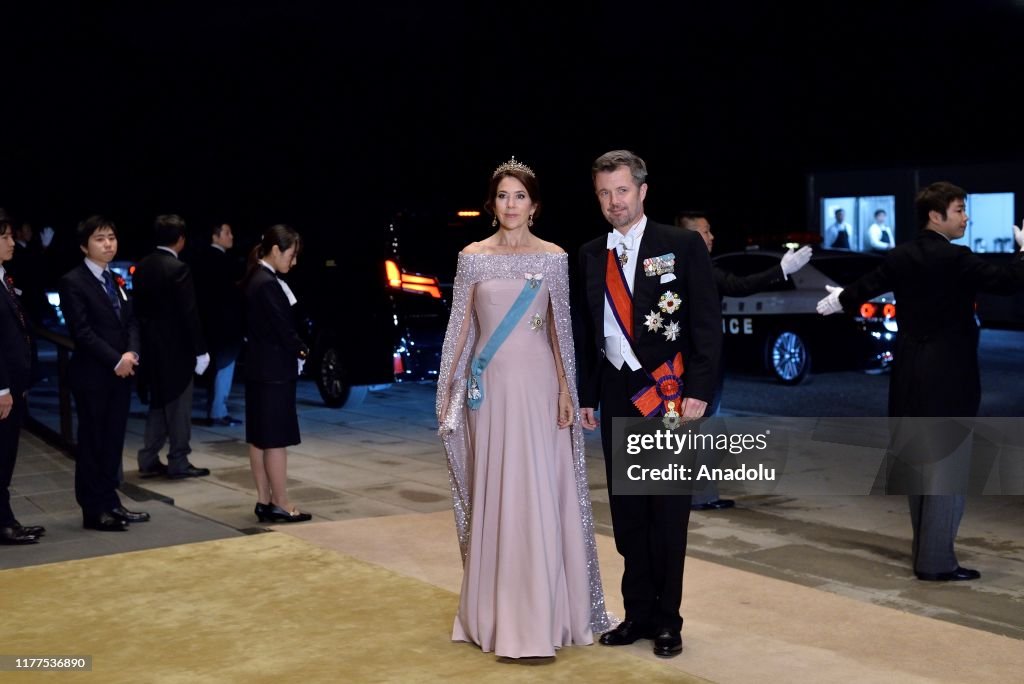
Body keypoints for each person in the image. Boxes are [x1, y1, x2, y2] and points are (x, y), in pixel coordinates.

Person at [436, 157, 611, 659]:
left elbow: (561, 332)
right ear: (492, 204)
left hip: (538, 392)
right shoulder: (472, 256)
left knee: (537, 491)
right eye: (502, 196)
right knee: (499, 493)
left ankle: (545, 616)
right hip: (488, 394)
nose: (510, 205)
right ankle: (495, 616)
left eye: (520, 196)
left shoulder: (554, 257)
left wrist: (566, 391)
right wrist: (449, 394)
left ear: (534, 205)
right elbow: (460, 330)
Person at [817, 181, 1024, 581]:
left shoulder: (902, 255)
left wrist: (839, 300)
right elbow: (1007, 281)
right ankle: (936, 562)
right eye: (960, 210)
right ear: (936, 215)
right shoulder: (956, 257)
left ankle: (926, 553)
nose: (966, 217)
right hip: (949, 374)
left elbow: (866, 286)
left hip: (910, 371)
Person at [577, 151, 721, 657]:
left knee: (667, 514)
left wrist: (701, 389)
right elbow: (587, 332)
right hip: (617, 394)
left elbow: (705, 322)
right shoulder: (592, 253)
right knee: (628, 513)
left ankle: (668, 621)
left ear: (642, 190)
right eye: (604, 193)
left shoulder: (680, 245)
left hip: (670, 394)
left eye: (621, 190)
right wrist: (587, 396)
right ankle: (637, 612)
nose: (614, 202)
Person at [676, 210, 811, 510]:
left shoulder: (671, 267)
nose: (711, 237)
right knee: (700, 430)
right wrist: (781, 269)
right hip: (700, 365)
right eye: (705, 231)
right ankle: (697, 497)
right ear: (689, 237)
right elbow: (740, 286)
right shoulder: (699, 268)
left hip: (685, 363)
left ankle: (694, 495)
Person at [59, 215, 149, 531]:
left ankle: (111, 502)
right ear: (85, 246)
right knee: (93, 443)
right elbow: (81, 332)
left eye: (111, 237)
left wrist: (132, 354)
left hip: (121, 373)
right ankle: (93, 509)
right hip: (94, 375)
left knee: (112, 442)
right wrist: (116, 360)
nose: (108, 243)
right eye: (100, 238)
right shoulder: (73, 281)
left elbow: (132, 322)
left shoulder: (115, 279)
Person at [133, 214, 211, 480]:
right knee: (179, 406)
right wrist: (200, 350)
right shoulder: (178, 269)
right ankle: (179, 459)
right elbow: (189, 313)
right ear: (180, 239)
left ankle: (148, 457)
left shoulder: (142, 266)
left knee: (158, 404)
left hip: (150, 349)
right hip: (176, 351)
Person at [242, 225, 312, 524]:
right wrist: (302, 351)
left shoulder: (253, 277)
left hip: (258, 368)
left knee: (259, 437)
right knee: (275, 440)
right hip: (273, 370)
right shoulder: (267, 283)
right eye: (291, 255)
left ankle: (264, 500)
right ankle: (281, 503)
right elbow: (284, 328)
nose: (293, 262)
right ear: (275, 250)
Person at [0, 210, 46, 544]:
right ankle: (3, 523)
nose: (11, 242)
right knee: (1, 456)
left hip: (14, 384)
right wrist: (2, 388)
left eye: (10, 235)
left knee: (7, 455)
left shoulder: (4, 278)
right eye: (3, 237)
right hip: (2, 388)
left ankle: (6, 518)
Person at [192, 222, 245, 426]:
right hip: (224, 326)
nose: (231, 236)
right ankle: (217, 411)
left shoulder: (200, 260)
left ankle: (217, 410)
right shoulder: (222, 261)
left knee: (218, 368)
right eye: (227, 232)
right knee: (222, 368)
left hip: (209, 324)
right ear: (215, 236)